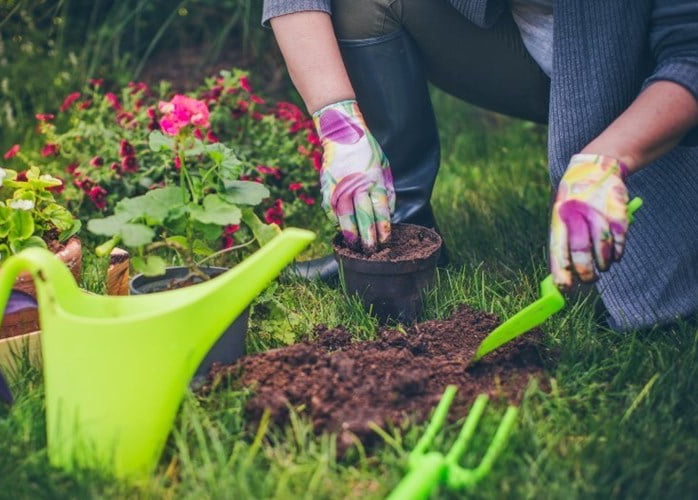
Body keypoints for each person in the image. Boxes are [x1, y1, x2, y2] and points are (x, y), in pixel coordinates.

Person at [262, 0, 698, 330]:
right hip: (518, 49)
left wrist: (607, 161)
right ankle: (400, 240)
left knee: (597, 288)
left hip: (632, 83)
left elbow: (688, 57)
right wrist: (338, 122)